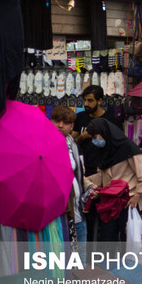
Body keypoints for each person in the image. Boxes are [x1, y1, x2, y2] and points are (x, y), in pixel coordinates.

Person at [86, 118, 142, 242]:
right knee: (108, 235)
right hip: (110, 201)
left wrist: (137, 195)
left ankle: (129, 261)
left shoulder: (126, 147)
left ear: (105, 132)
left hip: (128, 199)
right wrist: (85, 181)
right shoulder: (105, 151)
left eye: (96, 136)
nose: (95, 140)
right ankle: (109, 261)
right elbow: (103, 175)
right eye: (93, 137)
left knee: (128, 237)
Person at [51, 106, 95, 269]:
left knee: (80, 259)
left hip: (77, 210)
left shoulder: (73, 145)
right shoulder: (46, 143)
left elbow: (78, 173)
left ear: (72, 126)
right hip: (59, 213)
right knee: (61, 259)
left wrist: (89, 185)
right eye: (56, 120)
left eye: (65, 122)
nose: (60, 125)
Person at [72, 85, 119, 176]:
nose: (86, 104)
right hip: (83, 168)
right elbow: (73, 143)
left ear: (99, 101)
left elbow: (118, 148)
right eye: (84, 100)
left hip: (104, 170)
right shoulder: (80, 117)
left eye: (90, 100)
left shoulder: (111, 121)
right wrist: (82, 137)